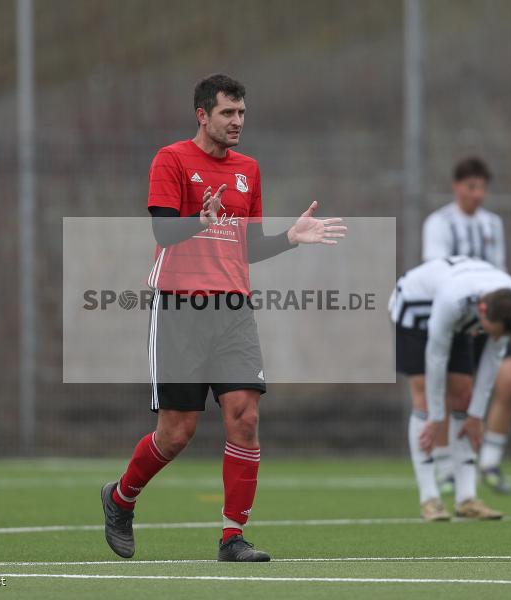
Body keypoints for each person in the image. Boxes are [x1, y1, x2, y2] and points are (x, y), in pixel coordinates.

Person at [101, 74, 345, 562]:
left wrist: (290, 238)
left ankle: (232, 538)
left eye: (241, 114)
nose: (237, 122)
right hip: (178, 309)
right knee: (177, 433)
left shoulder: (248, 169)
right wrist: (203, 220)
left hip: (232, 310)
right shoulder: (170, 160)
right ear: (202, 115)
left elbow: (248, 247)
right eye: (227, 113)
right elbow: (164, 232)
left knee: (246, 418)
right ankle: (121, 497)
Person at [388, 256, 511, 521]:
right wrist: (437, 418)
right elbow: (436, 357)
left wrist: (476, 415)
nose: (496, 338)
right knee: (425, 400)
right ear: (483, 310)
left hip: (461, 316)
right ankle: (430, 499)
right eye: (492, 332)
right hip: (414, 309)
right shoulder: (454, 300)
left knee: (464, 394)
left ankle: (466, 498)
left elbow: (492, 358)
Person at [422, 157, 511, 494]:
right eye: (471, 186)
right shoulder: (439, 223)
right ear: (457, 186)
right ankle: (447, 466)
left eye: (482, 187)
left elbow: (501, 269)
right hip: (461, 317)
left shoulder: (492, 223)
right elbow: (439, 270)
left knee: (510, 384)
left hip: (495, 315)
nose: (477, 194)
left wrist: (509, 320)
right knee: (458, 391)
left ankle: (490, 462)